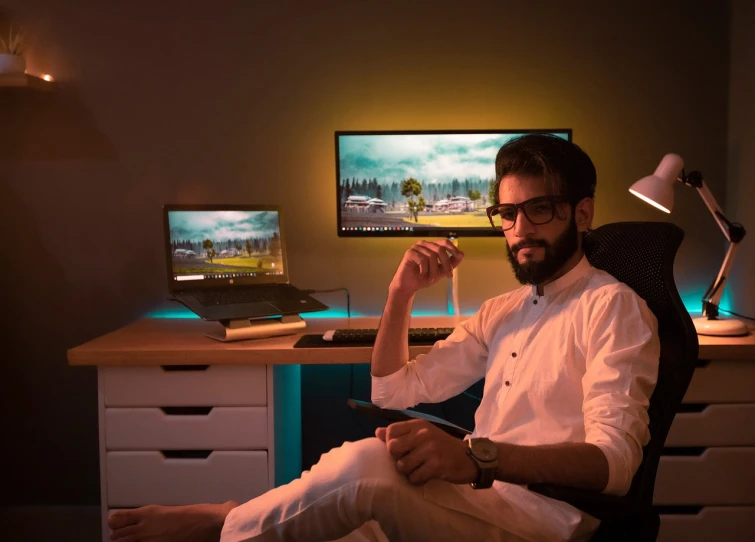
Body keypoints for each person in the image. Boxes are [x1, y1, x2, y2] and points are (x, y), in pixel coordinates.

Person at [108, 134, 659, 542]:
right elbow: (393, 391)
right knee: (360, 481)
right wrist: (400, 295)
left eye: (540, 209)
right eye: (508, 213)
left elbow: (615, 465)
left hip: (548, 518)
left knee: (362, 474)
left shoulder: (614, 309)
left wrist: (476, 459)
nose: (519, 230)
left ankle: (223, 524)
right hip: (483, 496)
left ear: (582, 213)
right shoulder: (506, 310)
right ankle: (242, 514)